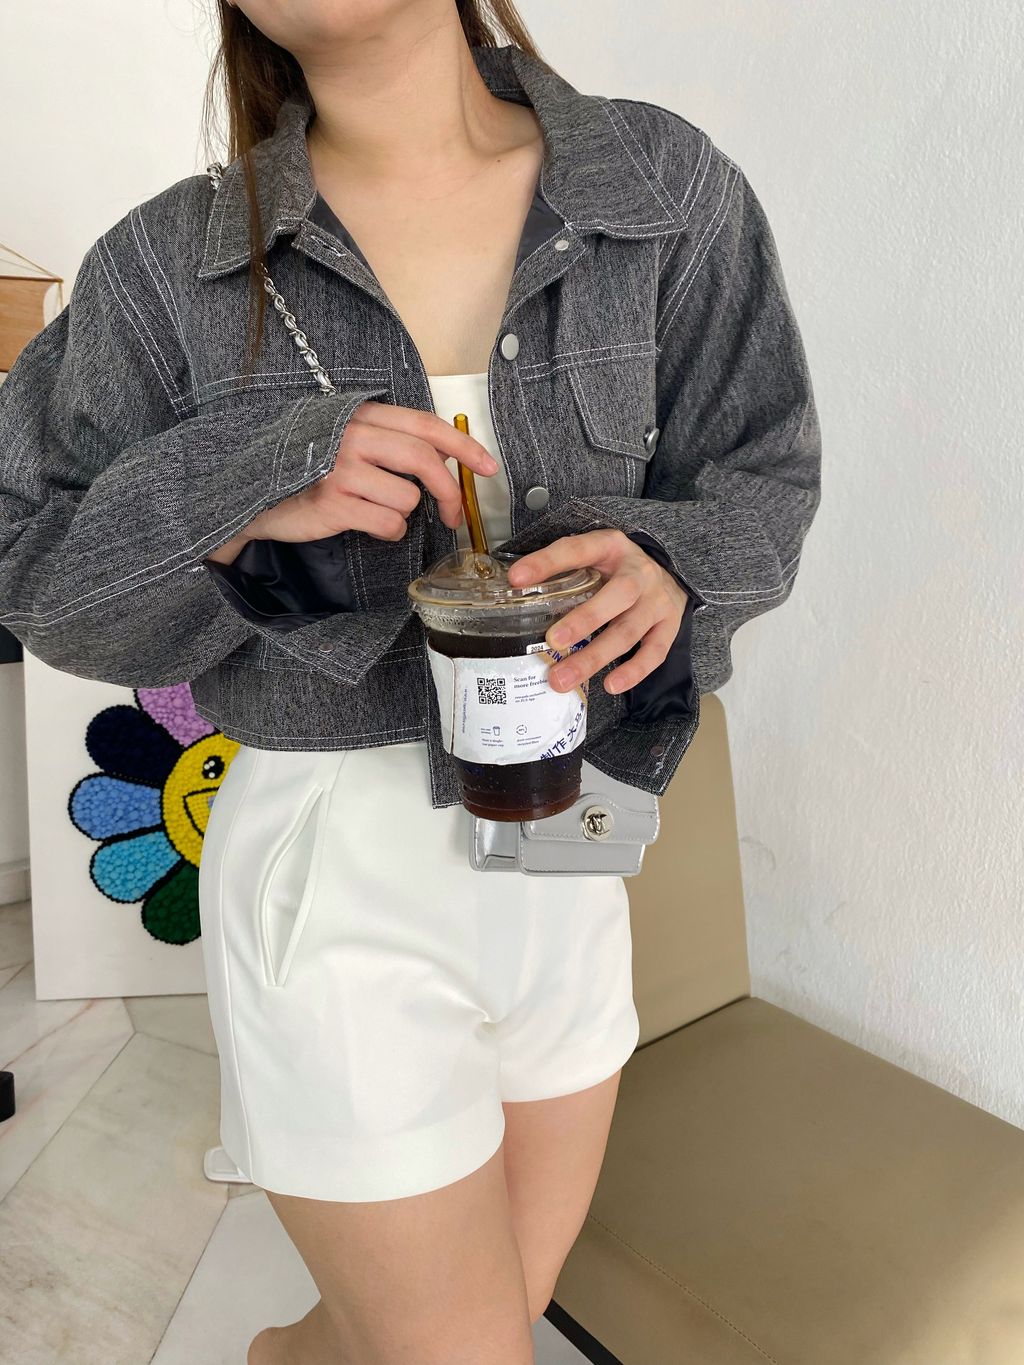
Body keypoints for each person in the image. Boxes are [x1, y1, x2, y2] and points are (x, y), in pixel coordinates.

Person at [0, 3, 821, 1362]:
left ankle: (287, 1354)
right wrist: (244, 493)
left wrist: (678, 569)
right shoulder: (166, 267)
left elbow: (765, 474)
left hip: (573, 839)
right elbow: (31, 566)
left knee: (484, 1312)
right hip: (338, 877)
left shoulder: (659, 191)